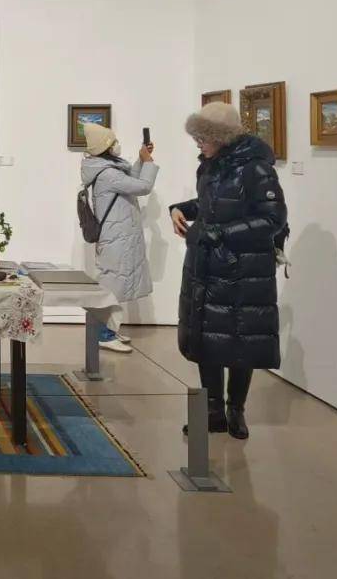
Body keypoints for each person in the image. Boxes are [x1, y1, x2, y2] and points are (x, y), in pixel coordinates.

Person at [170, 102, 288, 440]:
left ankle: (236, 409)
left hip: (243, 270)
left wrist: (219, 234)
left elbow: (272, 218)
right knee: (207, 338)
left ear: (222, 137)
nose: (198, 143)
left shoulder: (255, 168)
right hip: (207, 266)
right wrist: (180, 208)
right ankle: (212, 412)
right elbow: (212, 205)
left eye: (203, 137)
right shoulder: (211, 165)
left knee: (240, 341)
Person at [80, 122, 158, 353]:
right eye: (113, 142)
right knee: (111, 286)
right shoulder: (107, 174)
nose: (117, 145)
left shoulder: (108, 169)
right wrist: (149, 163)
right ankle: (103, 335)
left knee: (117, 283)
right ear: (106, 146)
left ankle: (109, 331)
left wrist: (141, 160)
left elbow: (130, 181)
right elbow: (143, 186)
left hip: (120, 237)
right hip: (116, 238)